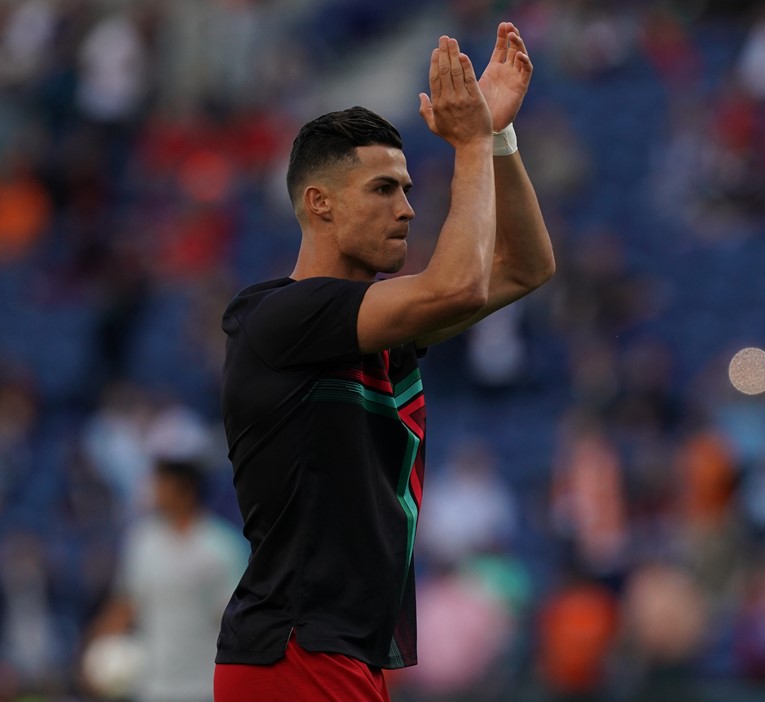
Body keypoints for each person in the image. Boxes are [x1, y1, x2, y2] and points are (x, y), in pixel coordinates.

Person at [213, 22, 554, 702]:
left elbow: (525, 267)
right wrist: (467, 143)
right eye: (383, 190)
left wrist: (495, 137)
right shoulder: (281, 315)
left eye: (405, 189)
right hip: (295, 651)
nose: (406, 210)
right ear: (319, 203)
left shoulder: (375, 327)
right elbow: (459, 285)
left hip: (340, 652)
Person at [84, 456, 248, 702]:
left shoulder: (222, 547)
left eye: (162, 484)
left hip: (206, 684)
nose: (155, 492)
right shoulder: (142, 542)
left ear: (186, 490)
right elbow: (126, 604)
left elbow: (236, 619)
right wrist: (94, 651)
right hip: (153, 686)